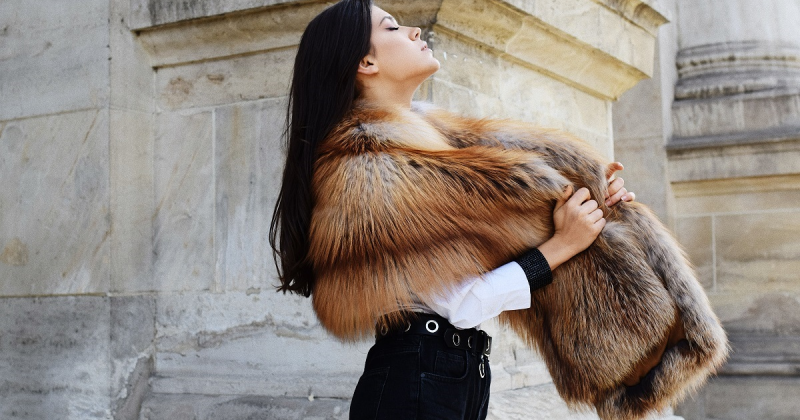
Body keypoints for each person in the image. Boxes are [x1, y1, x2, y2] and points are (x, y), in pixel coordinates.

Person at [269, 1, 635, 419]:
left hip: (445, 377)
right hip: (417, 384)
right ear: (365, 62)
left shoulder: (435, 148)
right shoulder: (369, 171)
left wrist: (590, 194)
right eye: (391, 27)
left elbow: (510, 216)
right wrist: (563, 245)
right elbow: (461, 305)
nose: (414, 31)